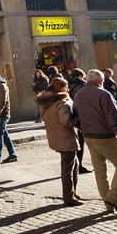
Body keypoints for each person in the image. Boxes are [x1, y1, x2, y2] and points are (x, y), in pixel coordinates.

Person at [73, 69, 117, 213]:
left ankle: (109, 206)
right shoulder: (104, 94)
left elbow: (76, 115)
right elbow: (114, 118)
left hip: (88, 137)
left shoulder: (79, 94)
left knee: (100, 171)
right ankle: (113, 198)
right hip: (104, 137)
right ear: (101, 81)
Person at [37, 77, 82, 207]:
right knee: (68, 168)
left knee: (75, 165)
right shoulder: (62, 101)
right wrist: (78, 120)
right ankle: (69, 197)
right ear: (60, 88)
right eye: (66, 86)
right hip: (66, 137)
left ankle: (72, 192)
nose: (68, 89)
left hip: (55, 136)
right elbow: (66, 120)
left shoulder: (45, 101)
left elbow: (45, 118)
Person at [68, 69, 93, 175]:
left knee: (78, 143)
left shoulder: (67, 85)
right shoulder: (84, 86)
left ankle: (76, 165)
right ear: (81, 75)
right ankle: (81, 165)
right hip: (84, 116)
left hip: (72, 116)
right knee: (90, 141)